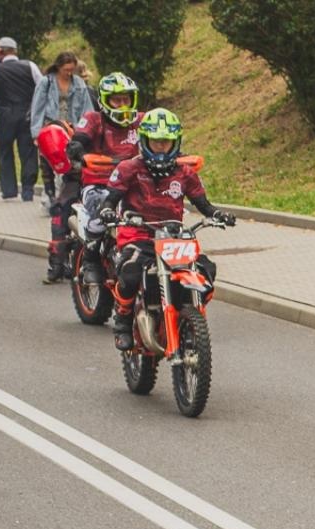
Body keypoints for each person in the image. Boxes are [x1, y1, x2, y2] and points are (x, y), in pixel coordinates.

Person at [94, 109, 235, 351]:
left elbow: (204, 205)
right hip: (138, 235)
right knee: (130, 273)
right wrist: (107, 211)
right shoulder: (129, 168)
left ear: (176, 142)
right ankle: (123, 319)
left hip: (174, 237)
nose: (161, 148)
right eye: (156, 142)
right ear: (144, 141)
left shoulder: (186, 173)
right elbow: (110, 198)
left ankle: (188, 317)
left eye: (166, 143)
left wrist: (217, 215)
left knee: (206, 270)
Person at [63, 72, 143, 282]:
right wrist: (78, 150)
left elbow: (160, 140)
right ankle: (90, 259)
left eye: (126, 99)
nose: (122, 104)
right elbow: (80, 137)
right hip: (99, 184)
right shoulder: (93, 119)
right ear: (105, 101)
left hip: (134, 184)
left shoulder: (143, 121)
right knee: (101, 209)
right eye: (117, 100)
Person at [0, 37, 43, 202]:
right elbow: (41, 87)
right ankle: (28, 190)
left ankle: (9, 189)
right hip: (27, 115)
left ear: (1, 51)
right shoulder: (30, 66)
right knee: (28, 152)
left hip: (5, 116)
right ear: (15, 51)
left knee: (5, 152)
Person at [30, 52, 93, 212]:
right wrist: (36, 133)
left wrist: (89, 128)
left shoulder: (78, 83)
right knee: (47, 164)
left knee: (70, 164)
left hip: (70, 129)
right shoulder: (46, 83)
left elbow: (87, 107)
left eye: (72, 69)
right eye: (66, 69)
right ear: (58, 67)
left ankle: (65, 198)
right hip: (49, 128)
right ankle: (50, 196)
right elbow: (37, 107)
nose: (69, 73)